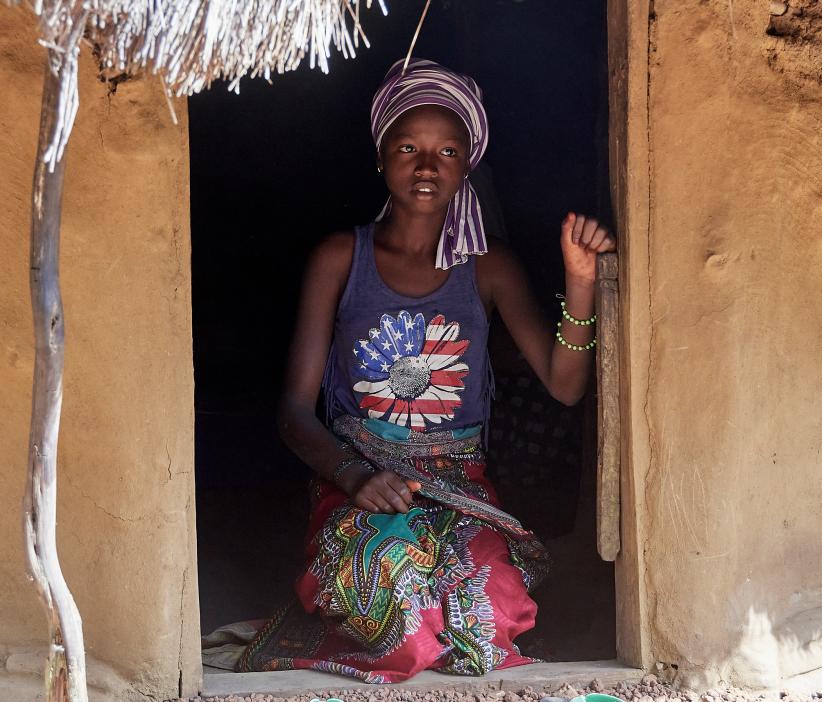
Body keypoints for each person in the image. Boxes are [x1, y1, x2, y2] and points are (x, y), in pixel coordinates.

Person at [237, 58, 616, 683]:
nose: (426, 165)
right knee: (404, 634)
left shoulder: (490, 269)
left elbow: (566, 387)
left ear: (467, 163)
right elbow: (294, 414)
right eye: (408, 147)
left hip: (459, 489)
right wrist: (355, 476)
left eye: (447, 151)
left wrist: (579, 283)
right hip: (360, 481)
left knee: (488, 628)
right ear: (382, 155)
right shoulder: (341, 258)